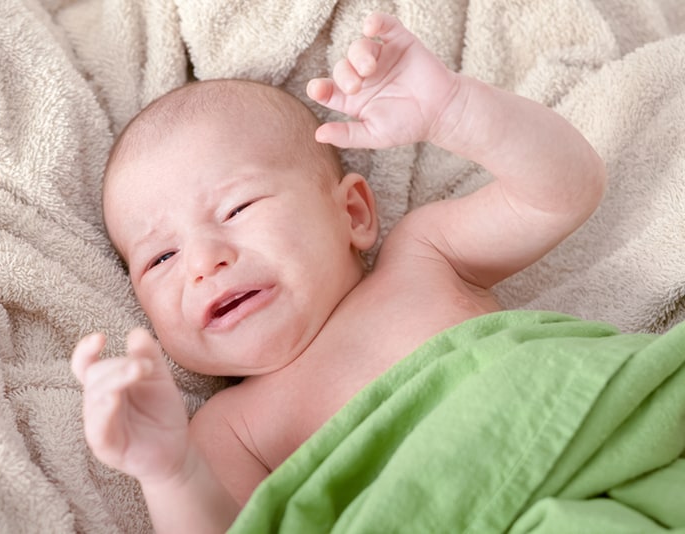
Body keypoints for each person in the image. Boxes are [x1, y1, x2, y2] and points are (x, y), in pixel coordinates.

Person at [71, 11, 606, 533]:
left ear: (353, 214)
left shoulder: (424, 256)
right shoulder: (229, 429)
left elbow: (561, 193)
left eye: (237, 209)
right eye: (159, 258)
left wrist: (456, 111)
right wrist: (169, 472)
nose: (203, 262)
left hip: (593, 461)